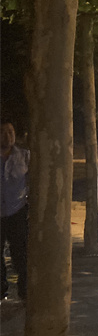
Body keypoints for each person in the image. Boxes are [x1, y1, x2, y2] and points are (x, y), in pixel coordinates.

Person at [1, 121, 29, 301]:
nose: (7, 136)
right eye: (2, 132)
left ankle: (24, 291)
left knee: (20, 253)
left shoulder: (25, 157)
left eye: (10, 132)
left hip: (17, 211)